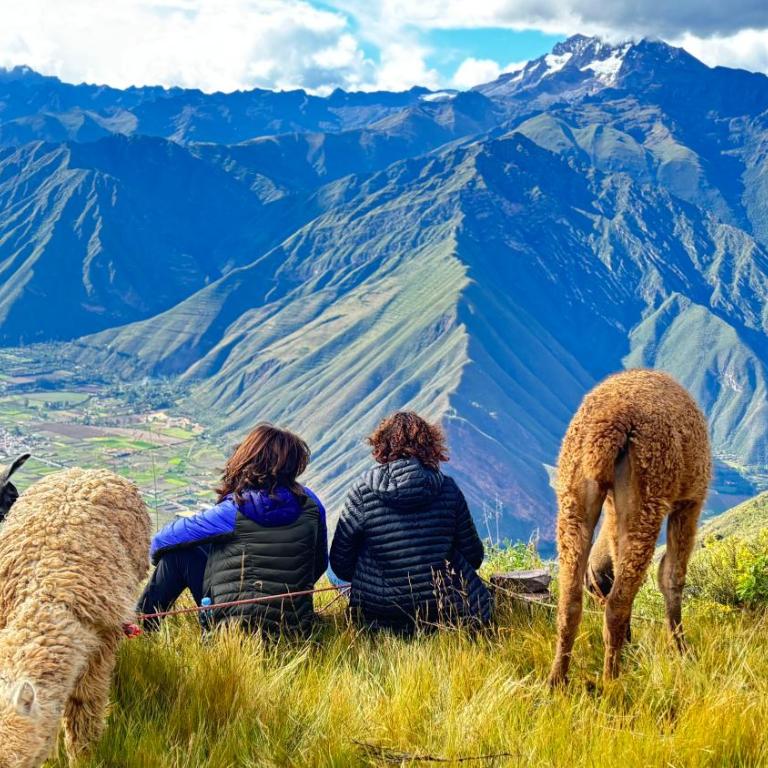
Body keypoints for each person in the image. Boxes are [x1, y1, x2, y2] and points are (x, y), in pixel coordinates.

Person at [138, 424, 328, 635]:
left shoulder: (233, 510)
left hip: (233, 630)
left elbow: (161, 541)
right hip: (296, 626)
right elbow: (318, 564)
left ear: (248, 458)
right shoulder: (311, 503)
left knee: (179, 554)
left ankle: (140, 628)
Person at [330, 411, 491, 634]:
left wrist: (372, 580)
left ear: (381, 446)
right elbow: (473, 555)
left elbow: (340, 563)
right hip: (447, 611)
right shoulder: (448, 489)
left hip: (380, 614)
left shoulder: (362, 492)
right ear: (430, 445)